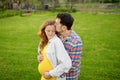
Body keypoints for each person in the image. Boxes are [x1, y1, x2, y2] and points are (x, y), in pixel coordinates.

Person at [55, 12, 83, 80]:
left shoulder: (76, 42)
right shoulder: (57, 35)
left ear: (64, 28)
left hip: (68, 77)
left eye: (57, 23)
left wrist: (52, 73)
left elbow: (71, 66)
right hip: (56, 73)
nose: (54, 25)